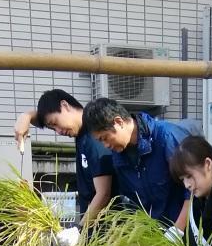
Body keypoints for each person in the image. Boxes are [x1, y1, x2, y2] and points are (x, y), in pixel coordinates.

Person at [13, 90, 115, 242]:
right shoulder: (82, 133)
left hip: (107, 229)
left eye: (55, 124)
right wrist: (26, 116)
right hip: (95, 225)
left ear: (65, 105)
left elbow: (104, 193)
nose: (59, 131)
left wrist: (79, 230)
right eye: (52, 128)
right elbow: (42, 118)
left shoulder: (94, 136)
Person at [81, 98, 193, 232]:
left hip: (186, 231)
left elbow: (193, 190)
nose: (106, 145)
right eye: (100, 141)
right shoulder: (119, 154)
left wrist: (177, 230)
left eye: (105, 138)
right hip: (155, 236)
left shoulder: (167, 137)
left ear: (118, 122)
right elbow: (132, 203)